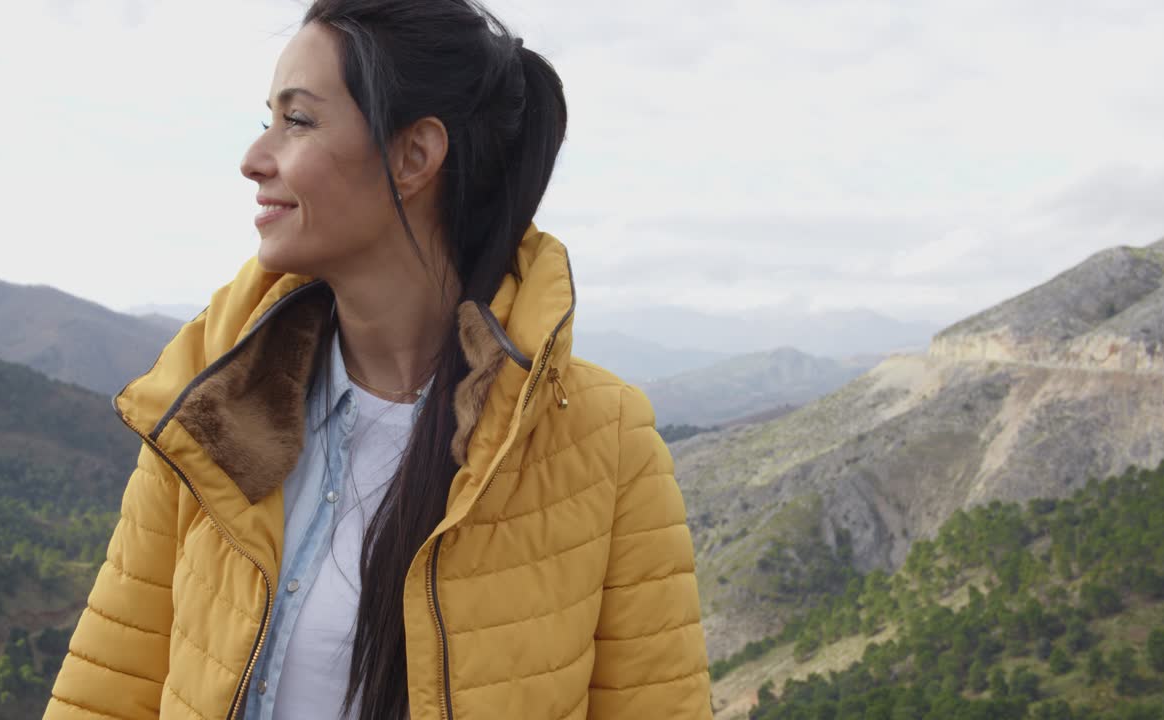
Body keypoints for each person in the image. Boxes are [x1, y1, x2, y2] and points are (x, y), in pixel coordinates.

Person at [44, 1, 711, 718]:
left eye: (296, 120)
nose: (253, 158)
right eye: (266, 119)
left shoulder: (605, 442)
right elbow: (106, 695)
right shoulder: (209, 404)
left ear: (413, 156)